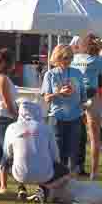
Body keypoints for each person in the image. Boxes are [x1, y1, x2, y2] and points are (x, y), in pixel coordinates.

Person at [5, 100, 71, 203]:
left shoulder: (11, 127)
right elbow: (55, 155)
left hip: (19, 174)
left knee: (7, 163)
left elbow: (7, 153)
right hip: (45, 174)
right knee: (66, 173)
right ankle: (43, 189)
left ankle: (21, 189)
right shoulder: (46, 128)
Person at [41, 44, 84, 175]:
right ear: (57, 57)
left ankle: (71, 182)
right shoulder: (50, 75)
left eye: (71, 57)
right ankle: (58, 181)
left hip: (75, 117)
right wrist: (59, 93)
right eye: (65, 57)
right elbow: (46, 98)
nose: (68, 60)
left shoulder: (77, 73)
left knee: (73, 152)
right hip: (57, 117)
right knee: (58, 153)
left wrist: (84, 104)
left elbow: (83, 96)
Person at [72, 35, 102, 180]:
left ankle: (74, 168)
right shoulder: (97, 60)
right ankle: (94, 171)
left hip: (75, 96)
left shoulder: (75, 59)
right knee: (94, 137)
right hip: (91, 96)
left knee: (74, 133)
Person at [0, 50, 18, 195]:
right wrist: (16, 115)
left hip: (1, 116)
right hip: (3, 118)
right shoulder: (2, 79)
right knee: (7, 150)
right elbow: (7, 102)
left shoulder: (1, 78)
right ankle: (3, 185)